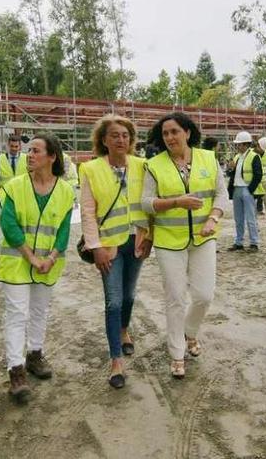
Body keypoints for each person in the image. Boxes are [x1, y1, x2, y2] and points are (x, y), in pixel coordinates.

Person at [142, 112, 228, 378]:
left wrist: (213, 218)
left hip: (203, 237)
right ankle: (177, 353)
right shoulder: (154, 165)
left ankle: (189, 331)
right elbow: (146, 202)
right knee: (176, 298)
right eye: (165, 133)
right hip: (169, 241)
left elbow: (221, 194)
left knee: (204, 296)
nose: (170, 137)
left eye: (175, 132)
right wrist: (176, 202)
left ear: (188, 133)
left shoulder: (208, 158)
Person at [0, 133, 75, 403]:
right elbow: (8, 225)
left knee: (40, 311)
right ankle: (16, 371)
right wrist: (31, 257)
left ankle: (35, 355)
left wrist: (51, 257)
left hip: (48, 264)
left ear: (52, 156)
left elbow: (63, 230)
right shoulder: (14, 187)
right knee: (17, 314)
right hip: (17, 262)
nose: (29, 155)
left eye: (36, 151)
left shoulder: (65, 191)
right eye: (29, 150)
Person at [80, 115, 151, 389]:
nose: (121, 140)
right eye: (114, 135)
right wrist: (95, 246)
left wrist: (150, 237)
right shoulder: (91, 169)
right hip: (109, 245)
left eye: (125, 135)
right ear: (104, 140)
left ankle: (123, 331)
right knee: (113, 301)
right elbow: (88, 212)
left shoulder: (143, 166)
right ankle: (116, 361)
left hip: (136, 241)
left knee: (129, 295)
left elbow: (149, 204)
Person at [226, 131, 262, 251]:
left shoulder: (254, 156)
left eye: (239, 144)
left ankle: (254, 243)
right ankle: (239, 242)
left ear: (246, 144)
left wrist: (250, 190)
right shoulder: (237, 157)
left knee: (251, 218)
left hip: (247, 189)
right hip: (237, 189)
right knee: (238, 218)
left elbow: (258, 174)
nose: (238, 146)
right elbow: (231, 174)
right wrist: (230, 169)